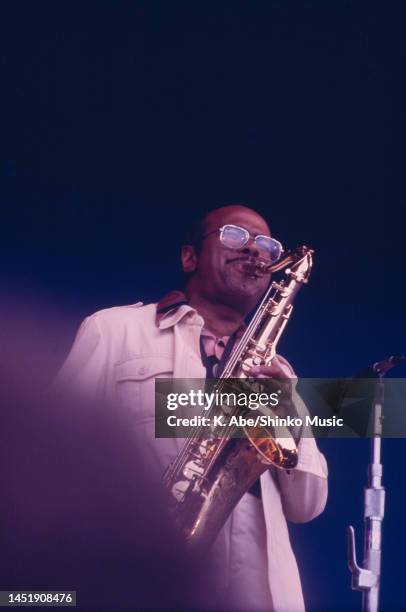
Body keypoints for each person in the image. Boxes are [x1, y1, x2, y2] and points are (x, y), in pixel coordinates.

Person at [56, 204, 328, 611]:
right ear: (190, 257)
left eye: (267, 247)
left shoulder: (279, 371)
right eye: (235, 236)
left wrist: (292, 412)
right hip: (142, 581)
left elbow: (307, 506)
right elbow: (52, 455)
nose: (255, 252)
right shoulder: (115, 330)